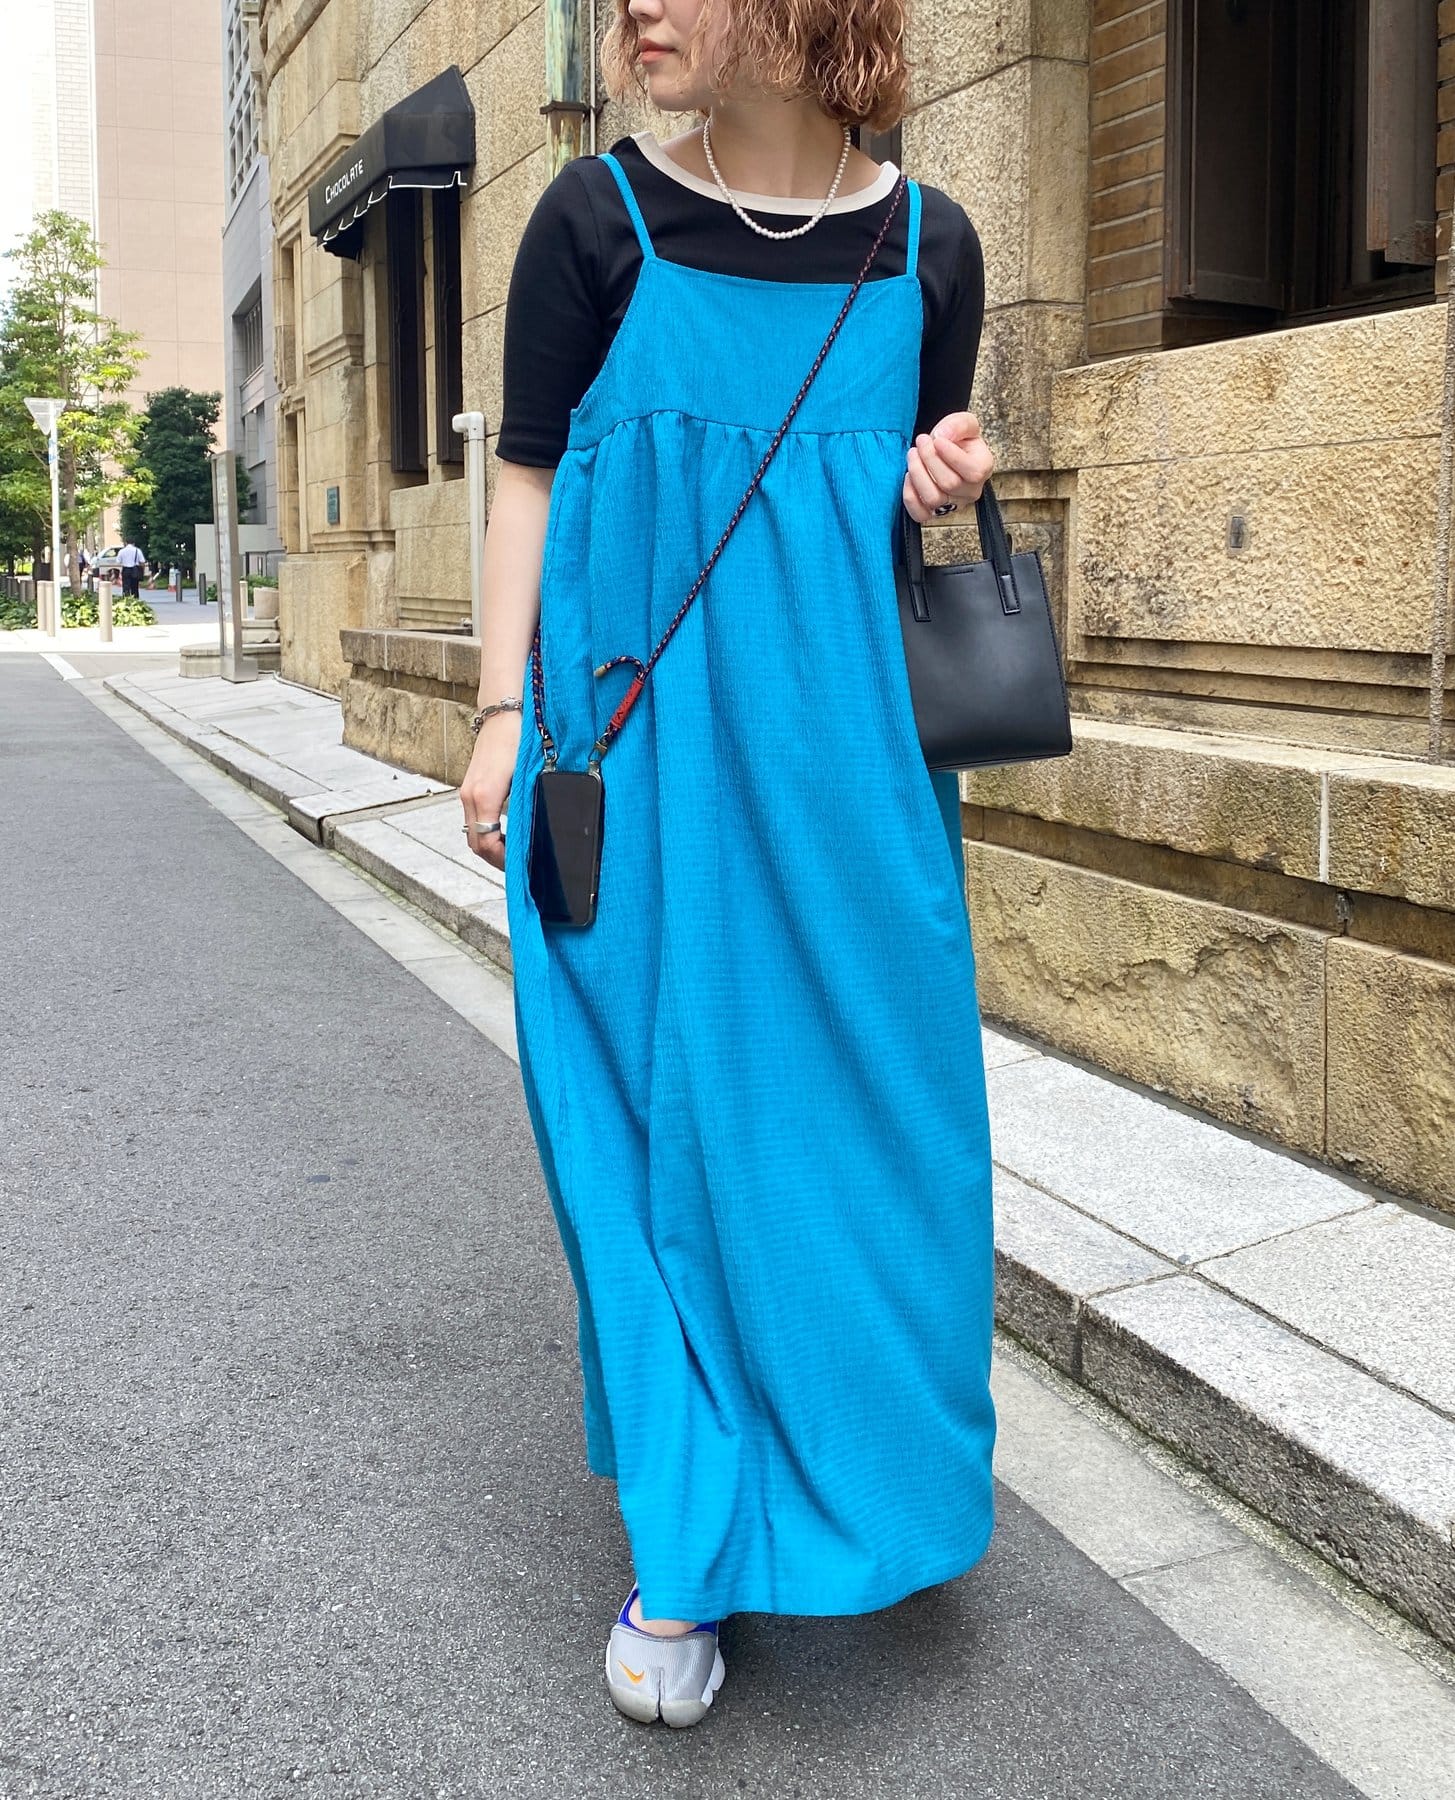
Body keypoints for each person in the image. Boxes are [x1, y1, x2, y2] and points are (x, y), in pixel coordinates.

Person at [461, 0, 997, 1729]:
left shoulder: (929, 248)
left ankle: (870, 1485)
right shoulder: (594, 222)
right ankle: (687, 1544)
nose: (637, 9)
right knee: (644, 1136)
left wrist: (933, 488)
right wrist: (497, 711)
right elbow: (528, 475)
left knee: (875, 1140)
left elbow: (886, 514)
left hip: (849, 779)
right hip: (634, 762)